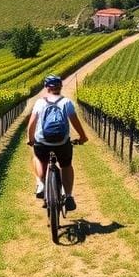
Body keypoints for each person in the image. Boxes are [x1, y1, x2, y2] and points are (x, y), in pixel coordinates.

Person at [26, 74, 88, 211]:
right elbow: (75, 121)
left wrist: (31, 139)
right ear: (60, 87)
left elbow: (31, 124)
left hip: (42, 142)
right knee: (66, 165)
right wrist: (83, 137)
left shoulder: (40, 102)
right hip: (62, 143)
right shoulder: (66, 102)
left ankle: (41, 184)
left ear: (46, 87)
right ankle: (69, 196)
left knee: (38, 158)